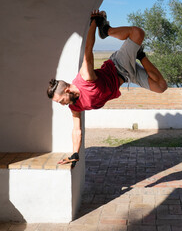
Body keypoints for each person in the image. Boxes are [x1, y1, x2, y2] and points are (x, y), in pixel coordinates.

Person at [46, 10, 167, 167]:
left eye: (61, 100)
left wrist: (94, 22)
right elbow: (77, 130)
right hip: (128, 77)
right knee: (161, 87)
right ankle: (140, 54)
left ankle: (107, 30)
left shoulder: (85, 78)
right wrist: (75, 154)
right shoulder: (74, 106)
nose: (63, 104)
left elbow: (88, 50)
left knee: (138, 33)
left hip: (119, 65)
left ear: (67, 90)